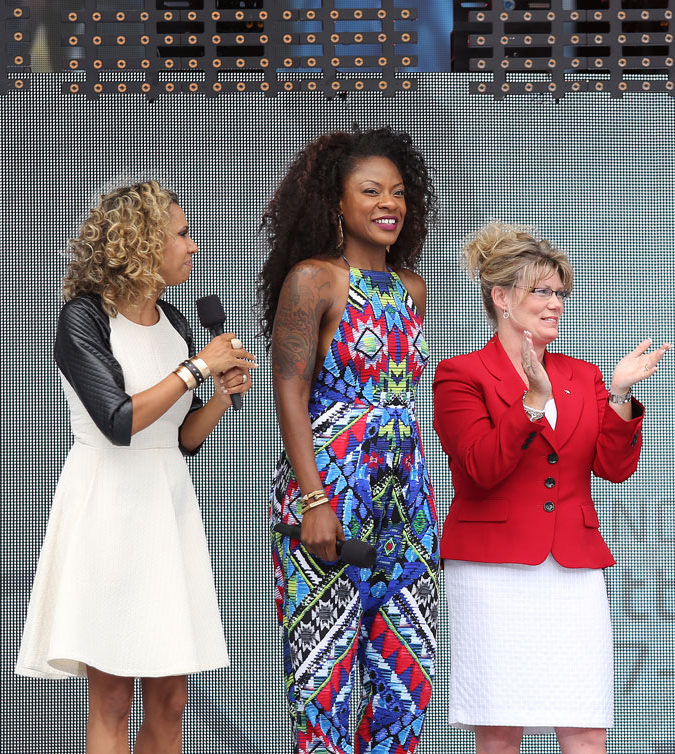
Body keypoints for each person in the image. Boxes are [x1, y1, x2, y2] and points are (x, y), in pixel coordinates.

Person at [16, 180, 255, 754]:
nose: (194, 246)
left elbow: (181, 439)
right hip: (108, 509)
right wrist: (199, 367)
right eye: (183, 233)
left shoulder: (173, 318)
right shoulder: (83, 318)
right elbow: (118, 422)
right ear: (144, 242)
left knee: (172, 701)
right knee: (114, 700)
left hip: (166, 507)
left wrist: (221, 396)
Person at [434, 221, 671, 754]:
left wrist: (620, 393)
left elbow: (613, 468)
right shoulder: (461, 375)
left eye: (560, 292)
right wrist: (532, 406)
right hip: (492, 568)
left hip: (571, 566)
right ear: (500, 297)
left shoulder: (584, 375)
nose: (555, 304)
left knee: (585, 726)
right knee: (499, 729)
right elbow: (479, 468)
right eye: (541, 291)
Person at [258, 127, 439, 754]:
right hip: (330, 491)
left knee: (407, 681)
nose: (389, 203)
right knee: (324, 679)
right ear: (336, 203)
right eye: (370, 191)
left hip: (407, 501)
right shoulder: (314, 280)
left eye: (397, 192)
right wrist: (312, 500)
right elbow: (290, 392)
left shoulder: (411, 288)